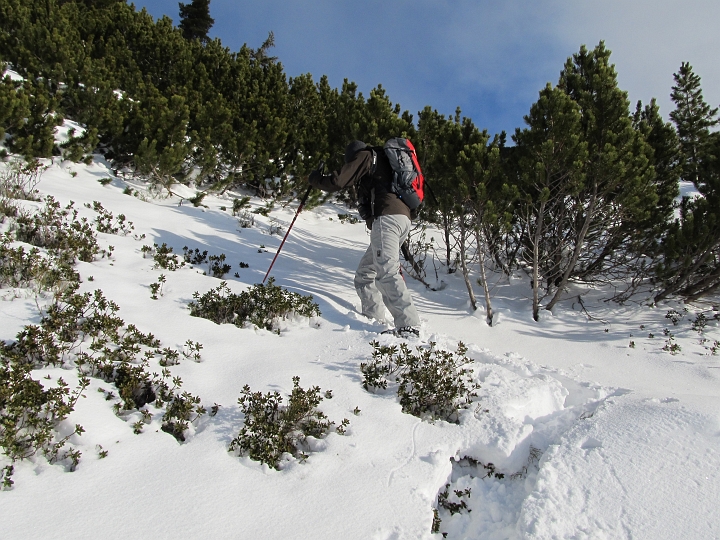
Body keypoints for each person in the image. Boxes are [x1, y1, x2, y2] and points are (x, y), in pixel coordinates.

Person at [308, 140, 421, 337]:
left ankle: (408, 326)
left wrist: (316, 179)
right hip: (401, 220)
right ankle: (373, 318)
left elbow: (338, 182)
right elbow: (368, 208)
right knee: (364, 274)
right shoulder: (382, 166)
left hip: (387, 220)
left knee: (386, 271)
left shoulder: (366, 156)